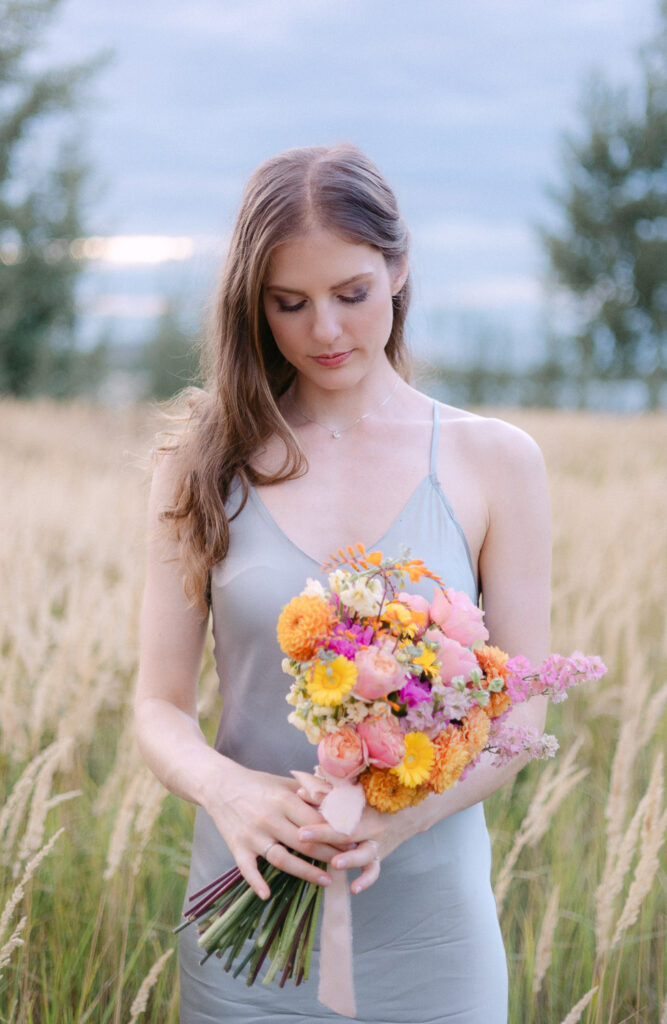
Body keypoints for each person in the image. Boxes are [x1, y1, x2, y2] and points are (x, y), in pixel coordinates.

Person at [134, 143, 551, 1023]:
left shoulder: (494, 462)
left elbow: (520, 713)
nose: (324, 331)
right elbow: (158, 706)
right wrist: (229, 790)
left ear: (398, 270)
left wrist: (389, 821)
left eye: (350, 294)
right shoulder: (201, 465)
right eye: (289, 304)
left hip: (431, 936)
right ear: (253, 305)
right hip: (243, 916)